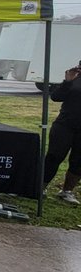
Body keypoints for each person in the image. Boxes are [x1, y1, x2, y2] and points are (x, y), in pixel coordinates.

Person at [45, 63, 81, 204]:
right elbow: (56, 97)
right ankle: (41, 186)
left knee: (78, 160)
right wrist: (67, 81)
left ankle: (67, 191)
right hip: (64, 125)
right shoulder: (74, 80)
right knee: (54, 155)